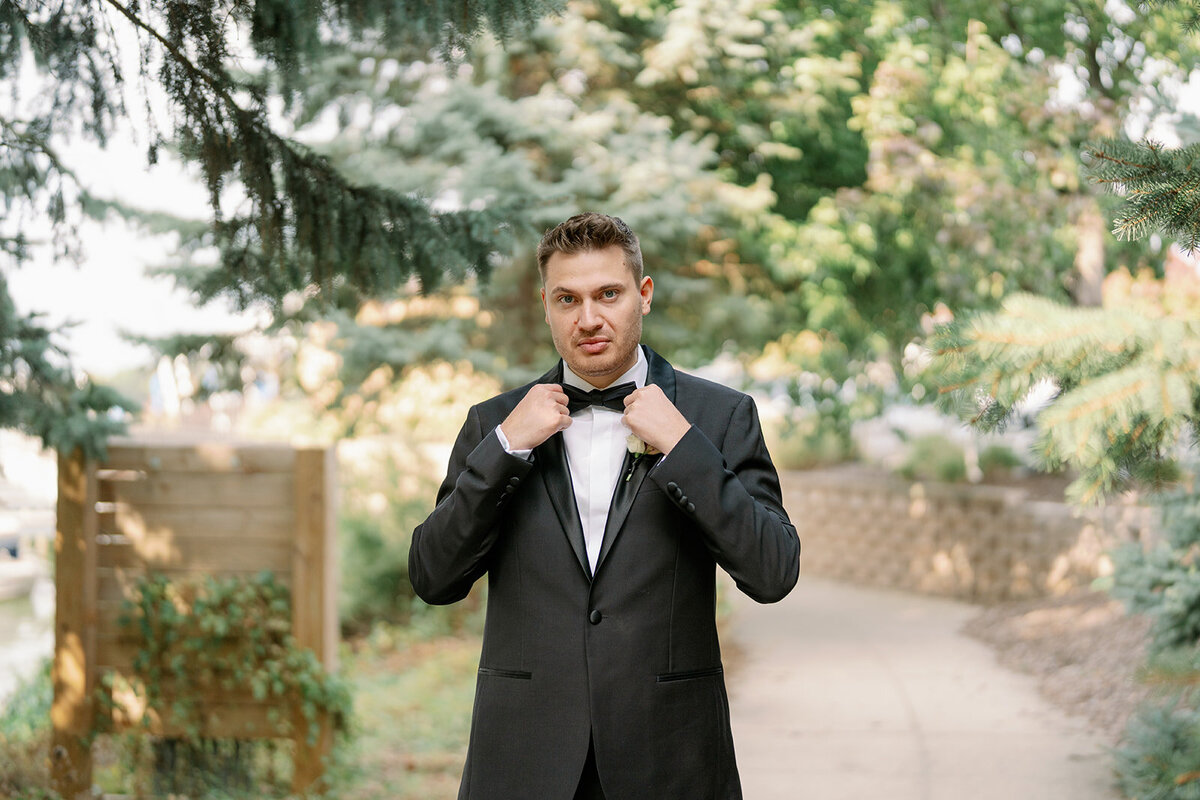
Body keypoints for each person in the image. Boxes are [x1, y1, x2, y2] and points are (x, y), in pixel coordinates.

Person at [409, 212, 801, 800]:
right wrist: (506, 450)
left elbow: (773, 571)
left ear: (643, 296)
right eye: (567, 299)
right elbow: (433, 576)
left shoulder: (720, 416)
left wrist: (685, 447)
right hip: (523, 761)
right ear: (546, 305)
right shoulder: (494, 425)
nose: (588, 318)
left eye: (607, 294)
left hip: (671, 761)